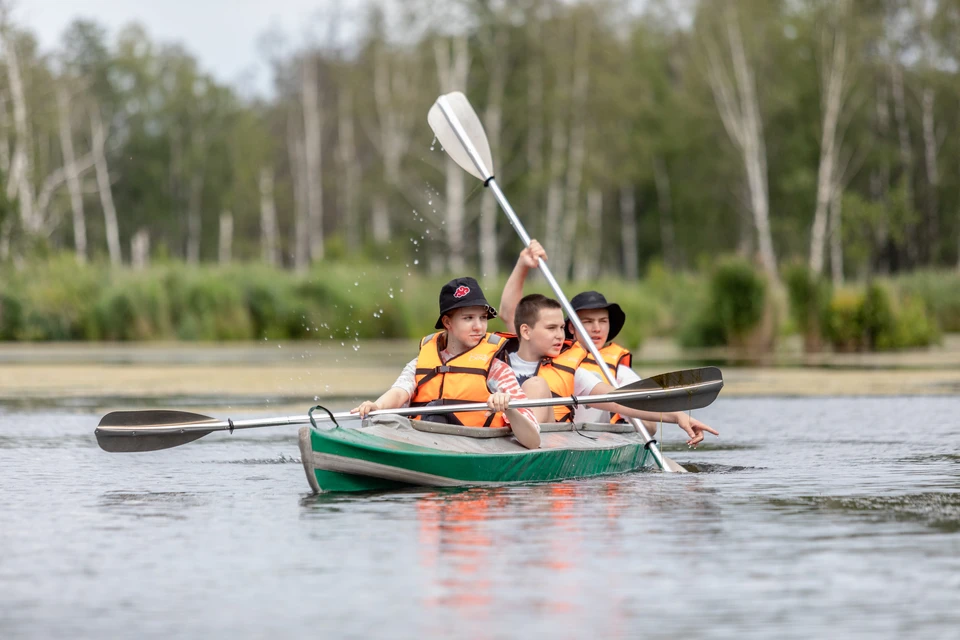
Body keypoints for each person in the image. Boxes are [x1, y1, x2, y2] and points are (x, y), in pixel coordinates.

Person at [498, 243, 718, 447]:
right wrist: (523, 265)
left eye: (561, 328)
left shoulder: (574, 372)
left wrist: (677, 416)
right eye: (551, 328)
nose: (559, 335)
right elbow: (509, 312)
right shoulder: (496, 361)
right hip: (497, 441)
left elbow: (620, 401)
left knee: (536, 385)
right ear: (525, 331)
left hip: (544, 443)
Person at [351, 277, 541, 449]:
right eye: (468, 318)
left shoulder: (496, 369)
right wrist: (377, 406)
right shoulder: (419, 363)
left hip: (474, 447)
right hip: (425, 441)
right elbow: (400, 392)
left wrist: (509, 408)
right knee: (416, 416)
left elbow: (533, 441)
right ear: (448, 322)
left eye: (483, 318)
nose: (478, 326)